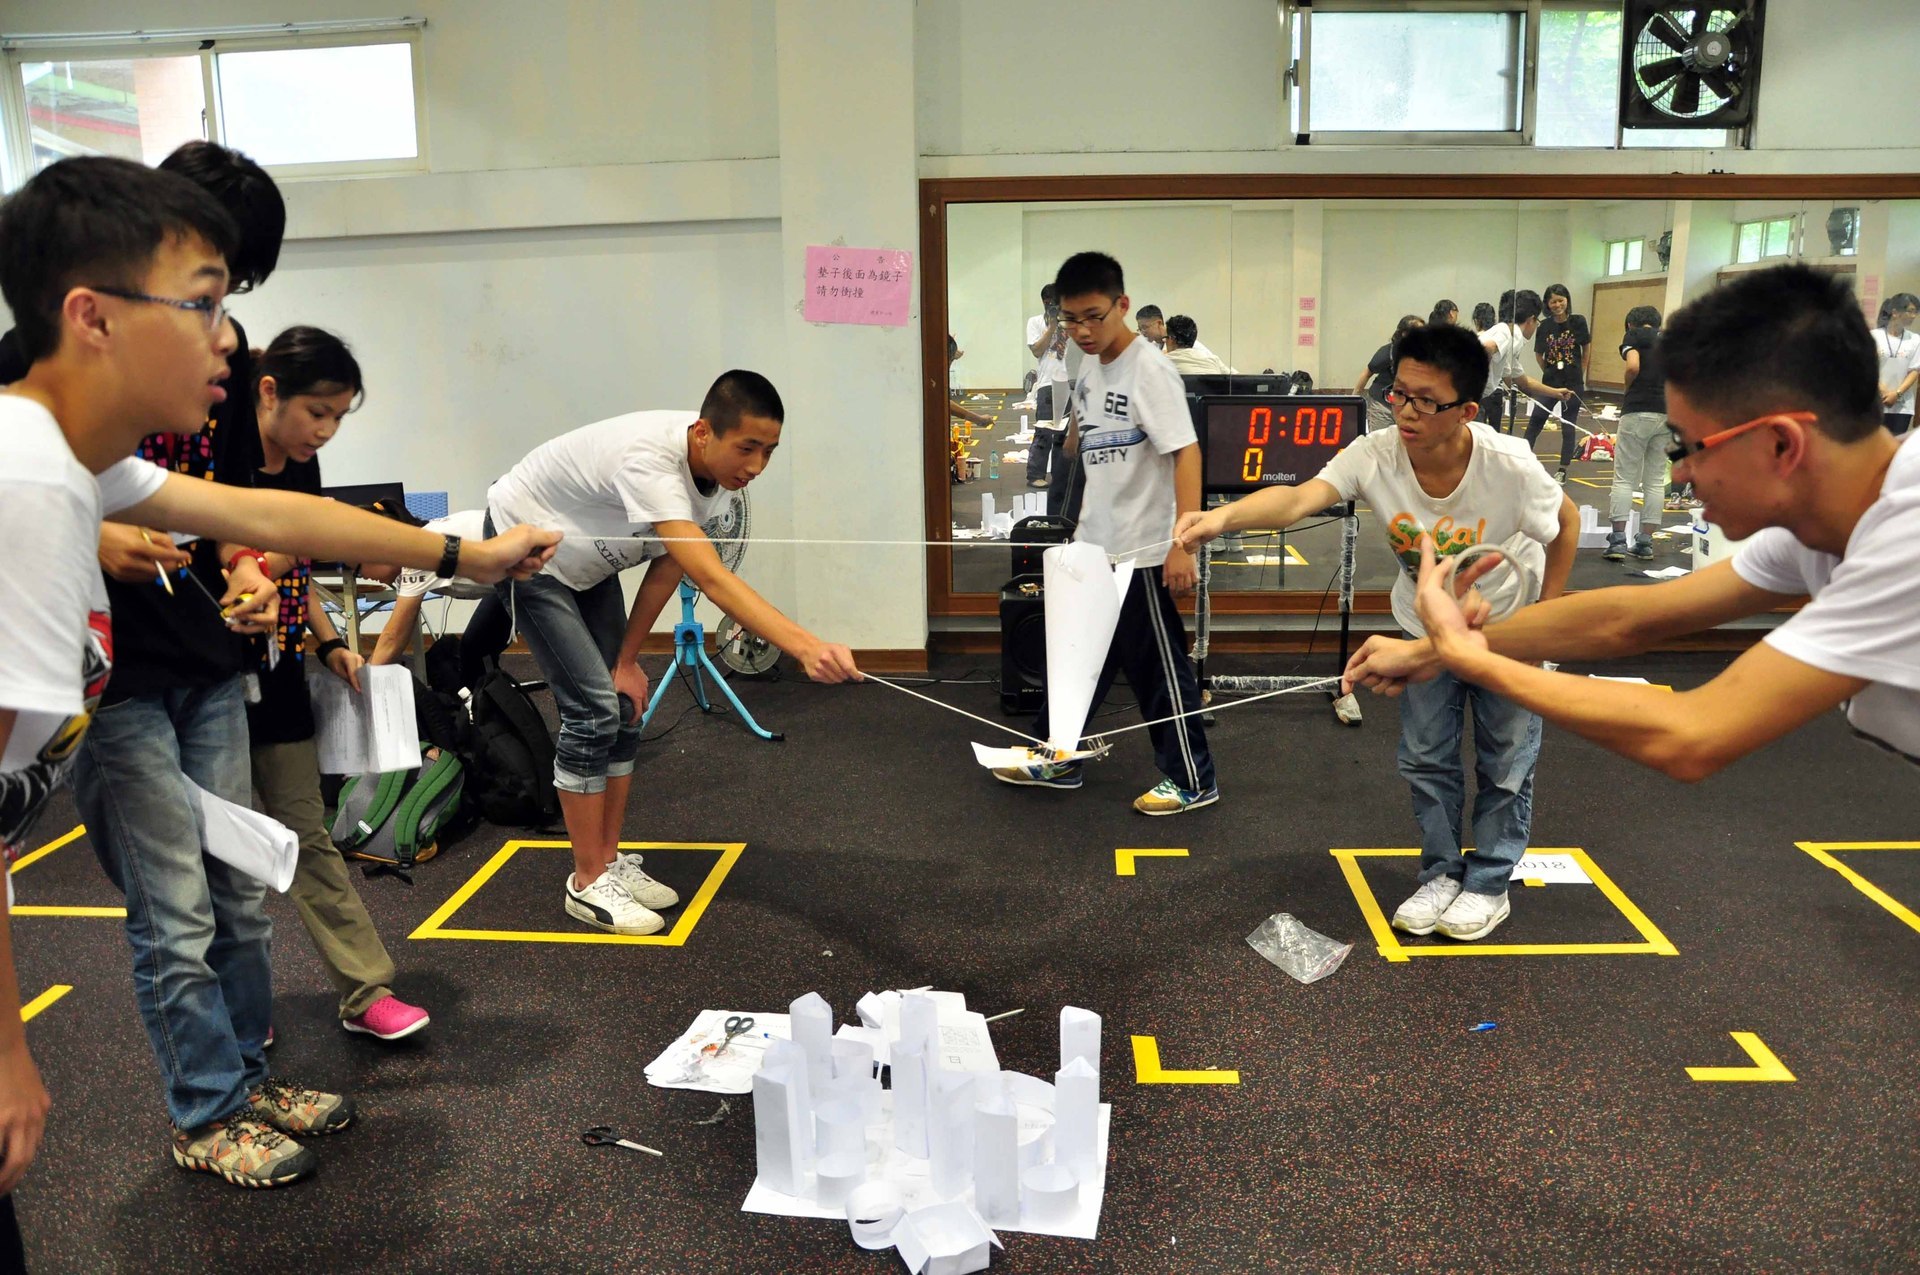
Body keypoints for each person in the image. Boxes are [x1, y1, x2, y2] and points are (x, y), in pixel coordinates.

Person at [0, 157, 557, 1198]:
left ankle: (240, 1089)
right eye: (205, 302)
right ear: (92, 318)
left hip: (187, 677)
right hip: (116, 712)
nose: (228, 340)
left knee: (231, 899)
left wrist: (460, 557)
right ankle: (207, 1114)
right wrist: (6, 1051)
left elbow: (267, 517)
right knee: (176, 911)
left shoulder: (83, 456)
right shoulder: (28, 482)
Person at [1344, 264, 1920, 791]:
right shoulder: (1824, 523)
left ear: (1782, 443)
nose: (1681, 474)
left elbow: (1694, 734)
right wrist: (1432, 653)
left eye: (1689, 447)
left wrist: (1467, 658)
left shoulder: (1906, 540)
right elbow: (1627, 621)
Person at [1181, 325, 1579, 941]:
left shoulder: (1509, 466)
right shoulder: (1375, 453)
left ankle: (1490, 882)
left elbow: (1567, 522)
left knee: (1505, 764)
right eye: (1399, 394)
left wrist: (1547, 622)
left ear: (1467, 410)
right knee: (1427, 758)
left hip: (1506, 632)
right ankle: (1444, 872)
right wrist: (1219, 517)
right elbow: (1297, 500)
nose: (1406, 410)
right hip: (1420, 634)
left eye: (1426, 400)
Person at [486, 371, 861, 935]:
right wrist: (804, 647)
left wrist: (628, 661)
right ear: (704, 431)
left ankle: (609, 860)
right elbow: (710, 578)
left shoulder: (712, 479)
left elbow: (670, 567)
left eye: (769, 451)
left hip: (588, 564)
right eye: (747, 448)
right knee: (591, 712)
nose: (756, 466)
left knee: (625, 704)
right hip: (529, 548)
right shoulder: (652, 463)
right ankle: (587, 884)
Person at [242, 326, 430, 1043]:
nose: (324, 430)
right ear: (269, 391)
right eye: (316, 412)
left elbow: (293, 573)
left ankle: (364, 991)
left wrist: (327, 645)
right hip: (213, 683)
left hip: (283, 671)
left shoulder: (299, 472)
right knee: (227, 858)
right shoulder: (215, 464)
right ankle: (238, 1009)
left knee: (308, 836)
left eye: (338, 418)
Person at [993, 252, 1217, 816]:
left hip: (1142, 549)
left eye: (1094, 316)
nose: (1083, 331)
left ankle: (1192, 779)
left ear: (1122, 305)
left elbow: (1186, 453)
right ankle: (1057, 756)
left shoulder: (1152, 370)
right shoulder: (1084, 364)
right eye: (1071, 319)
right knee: (1077, 657)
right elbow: (1087, 438)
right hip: (1095, 546)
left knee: (1158, 671)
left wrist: (1181, 542)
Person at [364, 507, 513, 691]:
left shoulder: (416, 554)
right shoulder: (415, 548)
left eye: (357, 566)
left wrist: (362, 687)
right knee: (474, 650)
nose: (361, 575)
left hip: (538, 571)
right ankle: (495, 711)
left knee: (554, 658)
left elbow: (393, 639)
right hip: (509, 582)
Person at [1607, 305, 1669, 562]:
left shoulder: (1633, 337)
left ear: (1631, 324)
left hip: (1637, 410)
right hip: (1667, 413)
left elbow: (1633, 366)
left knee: (1624, 478)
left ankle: (1618, 542)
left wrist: (1627, 390)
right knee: (1655, 480)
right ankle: (1645, 543)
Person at [1481, 289, 1569, 436]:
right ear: (1531, 320)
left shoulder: (1510, 340)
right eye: (1537, 322)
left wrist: (1555, 393)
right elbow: (1485, 348)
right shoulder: (1509, 332)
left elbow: (1523, 382)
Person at [1525, 283, 1590, 483]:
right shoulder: (1544, 326)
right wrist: (1549, 372)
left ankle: (1563, 469)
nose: (1557, 305)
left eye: (1561, 300)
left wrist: (1581, 372)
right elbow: (1538, 354)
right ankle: (1523, 462)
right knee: (1536, 419)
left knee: (1568, 425)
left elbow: (1586, 348)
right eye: (1553, 301)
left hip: (1573, 383)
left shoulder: (1578, 321)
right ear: (1548, 304)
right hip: (1550, 384)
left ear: (1567, 301)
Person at [1025, 285, 1072, 491]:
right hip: (1047, 383)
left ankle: (1061, 473)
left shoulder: (1072, 321)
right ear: (1045, 301)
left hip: (1070, 382)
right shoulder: (1035, 322)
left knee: (1065, 432)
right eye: (1051, 302)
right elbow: (1036, 350)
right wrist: (1052, 326)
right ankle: (1035, 474)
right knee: (1044, 431)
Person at [1355, 314, 1425, 434]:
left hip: (1408, 405)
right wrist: (1354, 398)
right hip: (1381, 405)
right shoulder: (1388, 352)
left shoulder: (1426, 353)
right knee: (1380, 443)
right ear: (1404, 334)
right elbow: (1367, 372)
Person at [1871, 292, 1919, 436]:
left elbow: (1915, 370)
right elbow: (1868, 367)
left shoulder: (1915, 340)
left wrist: (1896, 394)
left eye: (1916, 312)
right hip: (1875, 403)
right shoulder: (1874, 336)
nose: (1914, 316)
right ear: (1895, 312)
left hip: (1903, 406)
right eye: (1910, 311)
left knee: (1895, 446)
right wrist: (1884, 391)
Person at [1164, 315, 1233, 376]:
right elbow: (1238, 380)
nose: (1164, 341)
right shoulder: (1213, 359)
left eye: (1165, 338)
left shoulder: (1163, 361)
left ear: (1171, 339)